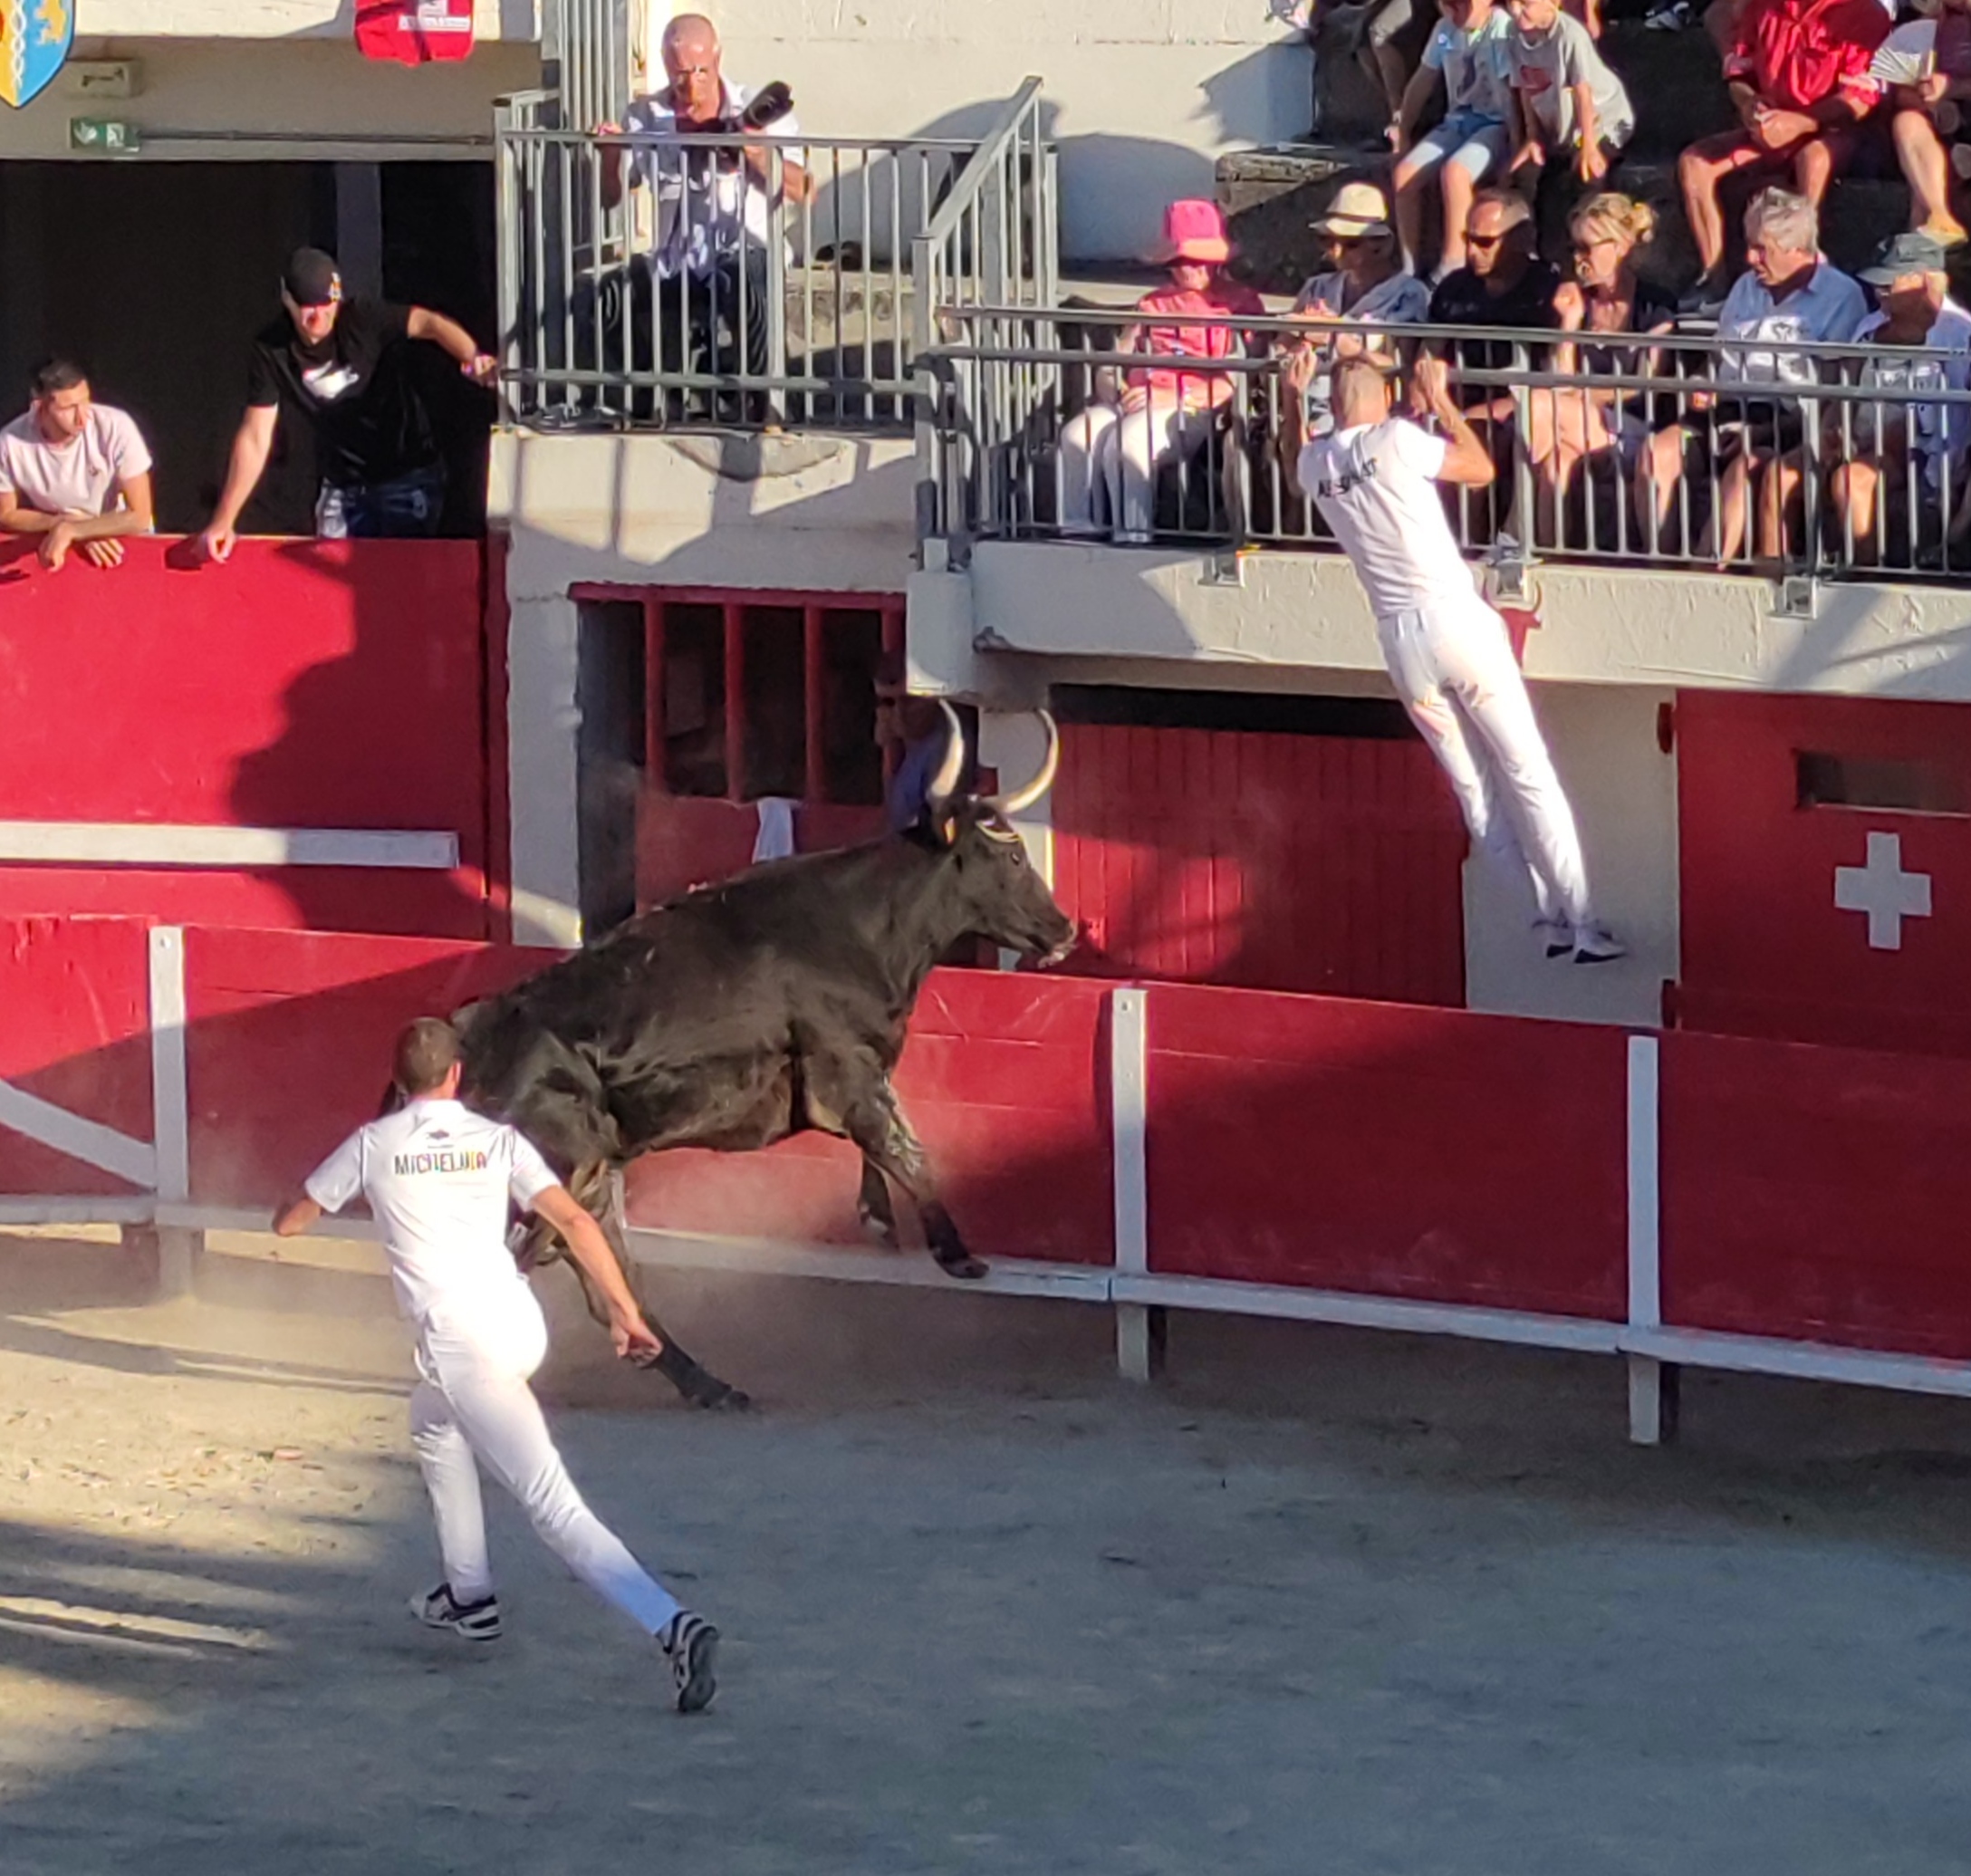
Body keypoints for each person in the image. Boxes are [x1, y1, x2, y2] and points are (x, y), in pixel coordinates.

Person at [272, 1017, 720, 1712]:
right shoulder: (498, 1139)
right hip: (518, 1323)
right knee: (432, 1419)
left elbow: (291, 1221)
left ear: (398, 1081)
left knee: (552, 1504)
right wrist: (626, 1311)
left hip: (463, 1345)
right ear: (456, 1075)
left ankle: (673, 1625)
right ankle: (469, 1592)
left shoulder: (371, 1143)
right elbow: (576, 1221)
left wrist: (292, 1207)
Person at [1278, 346, 1624, 963]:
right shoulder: (1396, 439)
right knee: (1529, 771)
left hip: (1399, 641)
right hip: (1454, 620)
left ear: (1332, 406)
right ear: (1384, 398)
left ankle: (1543, 919)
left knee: (1476, 792)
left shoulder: (1318, 462)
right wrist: (1441, 402)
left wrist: (1288, 398)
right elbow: (1480, 468)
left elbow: (1291, 462)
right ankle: (1585, 922)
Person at [200, 249, 496, 558]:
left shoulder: (362, 319)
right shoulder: (272, 350)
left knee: (398, 573)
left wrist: (471, 356)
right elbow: (255, 436)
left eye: (327, 305)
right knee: (322, 569)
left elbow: (428, 322)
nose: (319, 317)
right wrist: (224, 520)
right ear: (287, 299)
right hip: (342, 484)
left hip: (407, 474)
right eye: (308, 307)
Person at [596, 14, 810, 395]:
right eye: (680, 74)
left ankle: (765, 402)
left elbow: (805, 189)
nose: (691, 83)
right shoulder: (644, 117)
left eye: (701, 71)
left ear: (717, 57)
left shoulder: (754, 110)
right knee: (607, 297)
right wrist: (610, 155)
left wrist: (756, 152)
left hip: (748, 249)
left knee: (744, 282)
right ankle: (650, 402)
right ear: (665, 65)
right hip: (676, 260)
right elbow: (612, 196)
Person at [1654, 188, 1868, 561]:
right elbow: (1716, 360)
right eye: (1750, 246)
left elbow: (1833, 391)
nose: (1750, 258)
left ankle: (1708, 569)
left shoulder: (1842, 297)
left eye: (1761, 249)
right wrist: (1701, 385)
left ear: (1796, 249)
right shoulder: (1745, 286)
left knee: (1744, 468)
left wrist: (1762, 433)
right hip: (1724, 410)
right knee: (1659, 451)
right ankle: (1657, 563)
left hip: (1788, 421)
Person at [1056, 199, 1265, 544]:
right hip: (1137, 399)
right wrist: (1114, 386)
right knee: (1076, 435)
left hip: (1195, 406)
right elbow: (1114, 361)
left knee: (1129, 442)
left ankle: (1133, 536)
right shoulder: (1151, 303)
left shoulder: (1240, 304)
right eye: (1182, 260)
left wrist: (1173, 396)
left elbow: (1239, 378)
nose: (1192, 268)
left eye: (1202, 259)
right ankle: (1078, 531)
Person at [1768, 229, 1971, 563]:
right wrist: (1833, 431)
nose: (1879, 293)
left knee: (1853, 480)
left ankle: (1863, 573)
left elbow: (1953, 426)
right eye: (1878, 285)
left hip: (1918, 454)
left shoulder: (1961, 334)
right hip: (1858, 439)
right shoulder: (1869, 326)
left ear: (1923, 280)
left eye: (1888, 285)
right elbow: (1844, 390)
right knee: (1781, 473)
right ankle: (1770, 572)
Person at [1676, 0, 1889, 313]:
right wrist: (1750, 104)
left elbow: (1860, 100)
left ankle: (1806, 265)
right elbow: (1739, 71)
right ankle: (1713, 277)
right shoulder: (1762, 6)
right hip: (1771, 127)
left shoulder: (1865, 13)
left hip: (1832, 130)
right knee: (1694, 163)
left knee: (1814, 158)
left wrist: (1802, 122)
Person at [1522, 193, 1677, 547]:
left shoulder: (1653, 304)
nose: (1578, 259)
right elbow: (1562, 377)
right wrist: (1570, 322)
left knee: (1541, 404)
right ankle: (1550, 557)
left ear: (1619, 248)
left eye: (1586, 248)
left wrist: (1582, 395)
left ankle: (1514, 531)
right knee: (1556, 463)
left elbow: (1644, 385)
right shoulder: (1578, 301)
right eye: (1573, 248)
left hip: (1634, 424)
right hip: (1583, 421)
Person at [1287, 183, 1432, 434]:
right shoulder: (1317, 287)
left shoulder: (1408, 294)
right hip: (1307, 412)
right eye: (1327, 240)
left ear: (1380, 245)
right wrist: (1299, 337)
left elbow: (1404, 365)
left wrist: (1337, 339)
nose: (1335, 251)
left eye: (1350, 243)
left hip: (1372, 421)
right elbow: (1279, 346)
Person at [1391, 0, 1518, 280]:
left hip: (1495, 124)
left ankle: (1453, 263)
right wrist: (1404, 129)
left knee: (1455, 172)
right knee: (1404, 175)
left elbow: (1511, 92)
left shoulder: (1500, 29)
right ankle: (1409, 268)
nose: (1454, 7)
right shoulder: (1445, 31)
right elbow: (1423, 79)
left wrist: (1517, 145)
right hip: (1457, 122)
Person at [0, 359, 154, 572]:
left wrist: (76, 530)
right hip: (60, 550)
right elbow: (5, 515)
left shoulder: (116, 426)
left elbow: (140, 516)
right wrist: (62, 524)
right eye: (69, 408)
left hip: (122, 545)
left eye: (85, 402)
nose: (83, 417)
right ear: (39, 406)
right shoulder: (8, 443)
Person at [1505, 0, 1635, 192]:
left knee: (1587, 174)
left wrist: (1589, 145)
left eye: (1525, 3)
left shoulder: (1570, 36)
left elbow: (1583, 93)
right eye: (1510, 3)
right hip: (1560, 126)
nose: (1516, 11)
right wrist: (1532, 137)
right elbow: (1525, 88)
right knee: (1524, 175)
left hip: (1599, 121)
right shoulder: (1512, 34)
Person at [1872, 0, 1971, 247]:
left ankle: (1926, 245)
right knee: (1907, 122)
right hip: (1946, 129)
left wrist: (1951, 87)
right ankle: (1940, 218)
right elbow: (1897, 93)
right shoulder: (1928, 32)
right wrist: (1921, 96)